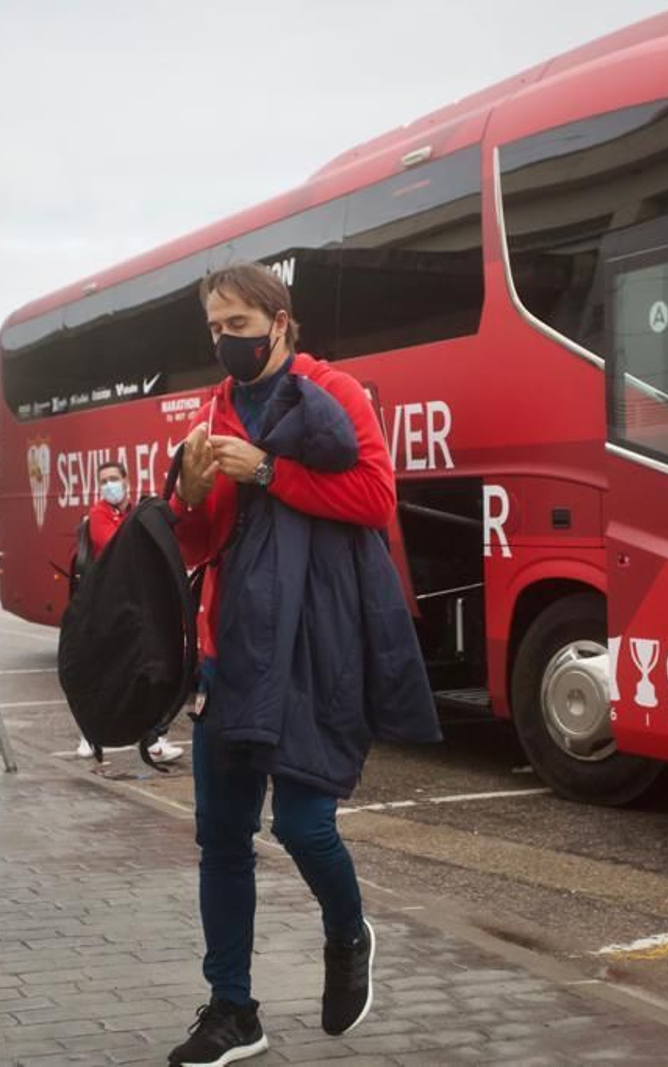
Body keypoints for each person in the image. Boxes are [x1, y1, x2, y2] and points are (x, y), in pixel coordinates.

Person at [163, 263, 439, 1066]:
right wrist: (190, 487)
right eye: (214, 328)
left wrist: (272, 472)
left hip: (317, 652)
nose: (226, 342)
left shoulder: (338, 394)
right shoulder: (212, 410)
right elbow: (196, 539)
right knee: (222, 838)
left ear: (281, 323)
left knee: (304, 824)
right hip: (230, 652)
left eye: (239, 326)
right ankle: (232, 1009)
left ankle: (349, 933)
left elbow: (375, 498)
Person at [73, 460, 185, 763]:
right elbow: (117, 547)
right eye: (104, 480)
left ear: (126, 480)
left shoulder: (135, 512)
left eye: (113, 478)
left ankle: (154, 740)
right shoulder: (98, 514)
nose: (109, 485)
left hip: (136, 604)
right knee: (102, 674)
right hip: (108, 607)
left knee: (145, 672)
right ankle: (89, 735)